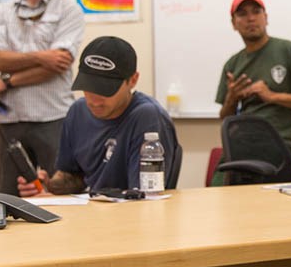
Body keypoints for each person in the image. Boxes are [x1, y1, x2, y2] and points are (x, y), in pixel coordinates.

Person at [0, 0, 85, 196]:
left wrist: (6, 82)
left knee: (60, 194)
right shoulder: (2, 12)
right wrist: (43, 56)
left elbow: (58, 65)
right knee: (10, 198)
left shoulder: (69, 10)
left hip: (53, 117)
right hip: (10, 119)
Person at [16, 36, 178, 197]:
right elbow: (73, 176)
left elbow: (144, 196)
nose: (94, 101)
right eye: (88, 88)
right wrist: (48, 186)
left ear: (133, 80)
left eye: (105, 90)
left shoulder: (147, 117)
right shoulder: (78, 111)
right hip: (91, 209)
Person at [215, 0, 291, 165]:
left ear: (266, 18)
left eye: (256, 12)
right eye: (242, 14)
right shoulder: (233, 64)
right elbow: (224, 117)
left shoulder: (290, 51)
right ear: (234, 24)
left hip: (277, 145)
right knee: (221, 177)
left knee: (242, 171)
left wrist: (272, 96)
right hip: (241, 143)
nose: (251, 18)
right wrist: (231, 99)